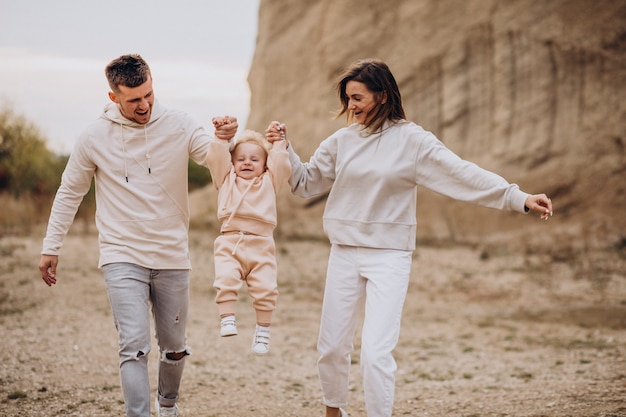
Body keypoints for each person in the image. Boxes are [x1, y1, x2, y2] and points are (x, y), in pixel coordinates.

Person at [265, 58, 554, 417]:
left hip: (389, 256)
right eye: (348, 99)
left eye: (358, 98)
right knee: (331, 347)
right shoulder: (342, 140)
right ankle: (333, 412)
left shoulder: (413, 140)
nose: (350, 107)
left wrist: (518, 197)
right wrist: (285, 148)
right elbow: (305, 183)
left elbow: (462, 174)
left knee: (375, 353)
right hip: (344, 252)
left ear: (383, 95)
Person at [38, 54, 238, 417]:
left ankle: (168, 405)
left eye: (148, 94)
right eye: (133, 99)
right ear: (114, 97)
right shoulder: (94, 136)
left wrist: (223, 140)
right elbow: (70, 191)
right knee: (133, 346)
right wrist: (52, 245)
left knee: (174, 346)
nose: (144, 104)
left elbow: (213, 160)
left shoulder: (178, 124)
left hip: (172, 254)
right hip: (121, 254)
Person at [205, 126, 291, 355]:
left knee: (266, 289)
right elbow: (216, 158)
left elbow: (281, 164)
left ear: (265, 165)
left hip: (261, 244)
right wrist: (222, 139)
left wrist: (279, 144)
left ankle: (262, 331)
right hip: (230, 242)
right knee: (225, 279)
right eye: (240, 159)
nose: (247, 163)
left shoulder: (270, 181)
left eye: (255, 159)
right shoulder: (226, 179)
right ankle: (227, 318)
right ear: (232, 163)